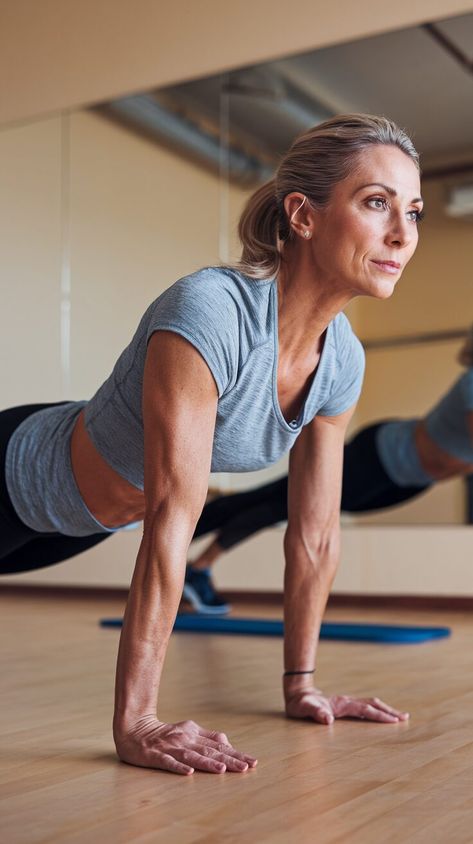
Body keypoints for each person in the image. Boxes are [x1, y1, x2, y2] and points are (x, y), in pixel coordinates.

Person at [1, 114, 423, 775]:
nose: (402, 233)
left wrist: (301, 684)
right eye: (376, 203)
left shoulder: (340, 361)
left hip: (76, 525)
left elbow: (313, 536)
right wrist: (136, 721)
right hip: (15, 475)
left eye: (413, 211)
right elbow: (175, 517)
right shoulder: (211, 312)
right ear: (302, 216)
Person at [183, 329, 473, 613]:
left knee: (279, 503)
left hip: (409, 480)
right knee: (279, 503)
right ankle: (187, 553)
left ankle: (192, 561)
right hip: (381, 457)